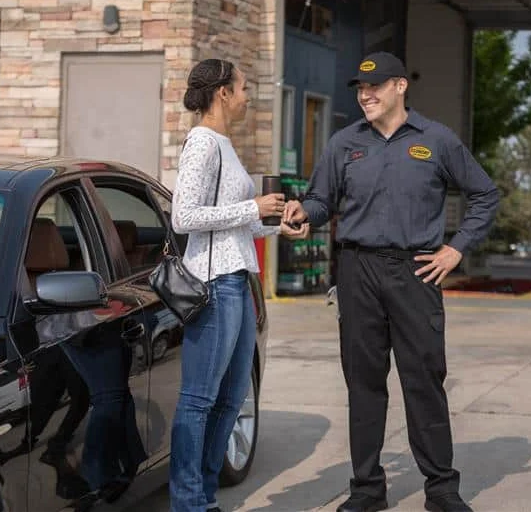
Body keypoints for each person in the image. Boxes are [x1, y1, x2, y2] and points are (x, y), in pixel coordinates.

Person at [284, 51, 499, 512]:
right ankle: (367, 489)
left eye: (375, 86)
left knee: (423, 379)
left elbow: (485, 193)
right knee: (363, 383)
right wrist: (305, 212)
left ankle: (441, 489)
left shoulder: (436, 141)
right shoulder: (344, 143)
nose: (366, 95)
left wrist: (457, 248)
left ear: (400, 86)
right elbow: (322, 199)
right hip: (356, 270)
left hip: (414, 271)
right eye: (361, 88)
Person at [169, 58, 309, 512]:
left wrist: (274, 228)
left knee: (232, 399)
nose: (250, 97)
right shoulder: (203, 144)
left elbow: (232, 227)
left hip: (239, 280)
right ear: (223, 93)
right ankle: (188, 502)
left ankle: (206, 496)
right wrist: (253, 207)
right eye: (244, 88)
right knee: (198, 401)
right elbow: (183, 217)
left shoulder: (226, 145)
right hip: (213, 286)